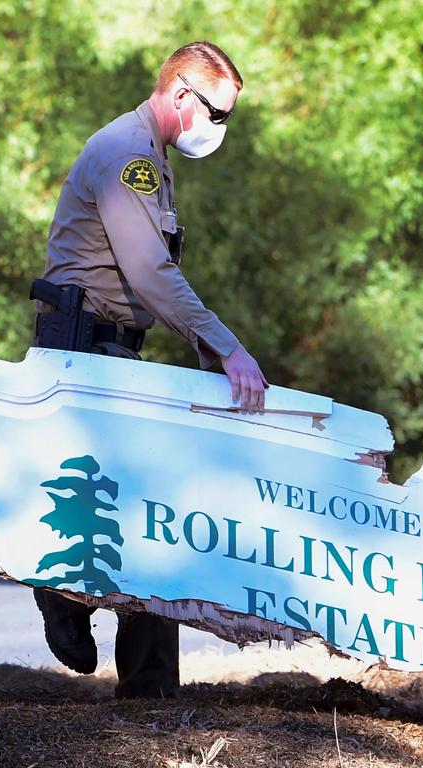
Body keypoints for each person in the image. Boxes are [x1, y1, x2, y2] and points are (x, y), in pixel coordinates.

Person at [30, 41, 268, 699]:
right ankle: (63, 599)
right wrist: (226, 347)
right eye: (218, 113)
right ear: (183, 95)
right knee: (141, 502)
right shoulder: (127, 155)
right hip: (81, 349)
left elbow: (150, 279)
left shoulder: (150, 158)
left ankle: (151, 686)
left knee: (156, 511)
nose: (219, 129)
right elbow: (149, 271)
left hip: (111, 349)